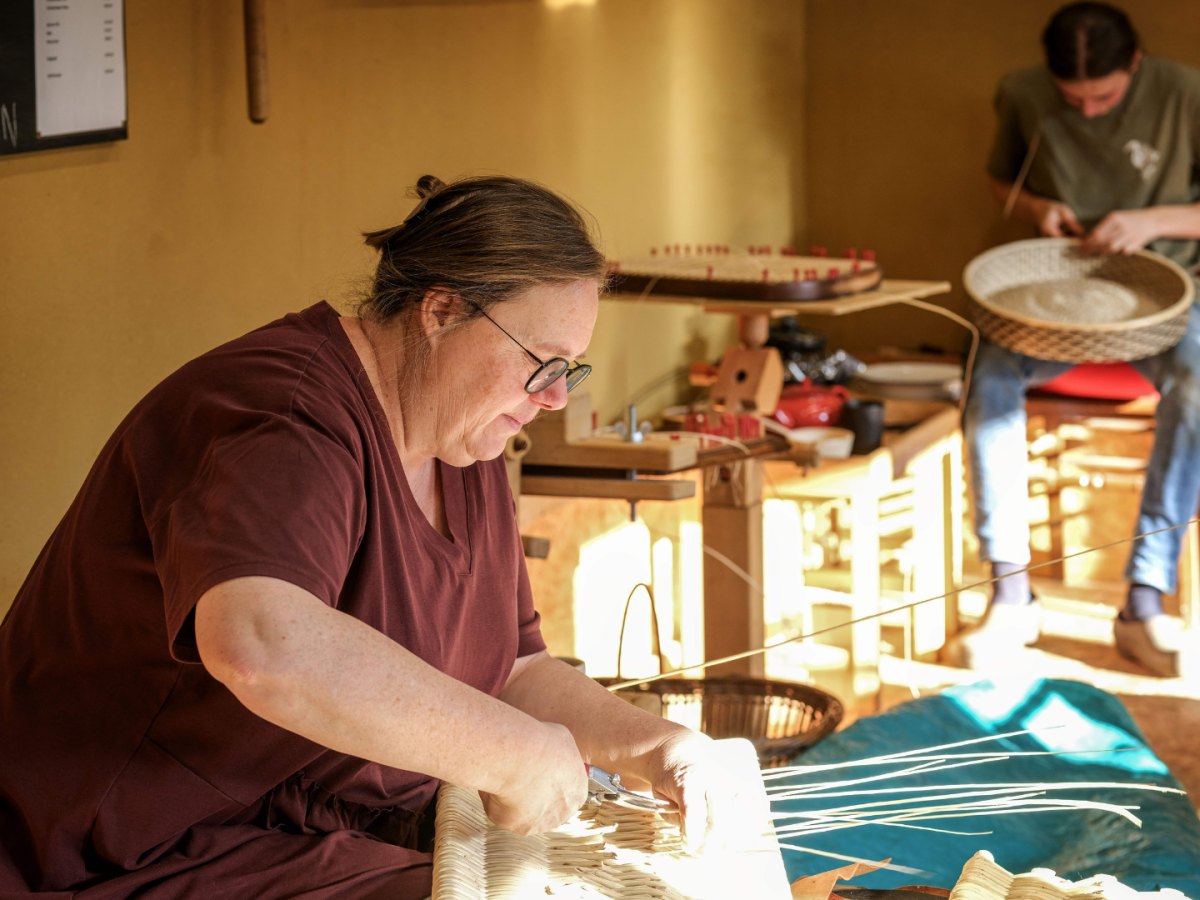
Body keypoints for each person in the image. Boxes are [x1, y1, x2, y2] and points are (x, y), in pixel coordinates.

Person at [0, 175, 732, 899]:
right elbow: (262, 645)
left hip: (299, 834)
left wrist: (652, 746)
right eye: (541, 362)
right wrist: (511, 754)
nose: (555, 397)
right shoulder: (280, 412)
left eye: (570, 368)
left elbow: (508, 666)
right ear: (441, 311)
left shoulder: (462, 434)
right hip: (122, 852)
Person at [951, 3, 1200, 676]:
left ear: (1137, 66)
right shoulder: (1022, 92)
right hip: (1051, 295)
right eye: (1073, 99)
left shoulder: (1185, 92)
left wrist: (1151, 222)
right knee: (987, 376)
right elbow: (1002, 181)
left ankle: (1145, 605)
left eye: (1106, 96)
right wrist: (1037, 209)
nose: (1088, 112)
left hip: (1165, 297)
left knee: (1198, 389)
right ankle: (1010, 596)